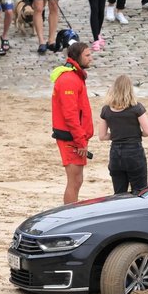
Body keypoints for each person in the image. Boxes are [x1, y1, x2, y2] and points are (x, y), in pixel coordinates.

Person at [51, 42, 94, 204]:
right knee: (74, 181)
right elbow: (70, 115)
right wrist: (80, 140)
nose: (91, 59)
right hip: (72, 139)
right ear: (77, 57)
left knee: (77, 180)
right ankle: (69, 217)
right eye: (87, 55)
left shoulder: (74, 76)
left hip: (75, 138)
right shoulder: (69, 79)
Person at [98, 74, 148, 194]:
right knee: (140, 191)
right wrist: (135, 133)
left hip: (116, 153)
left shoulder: (106, 109)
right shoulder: (137, 108)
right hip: (134, 152)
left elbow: (102, 136)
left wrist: (117, 134)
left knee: (119, 193)